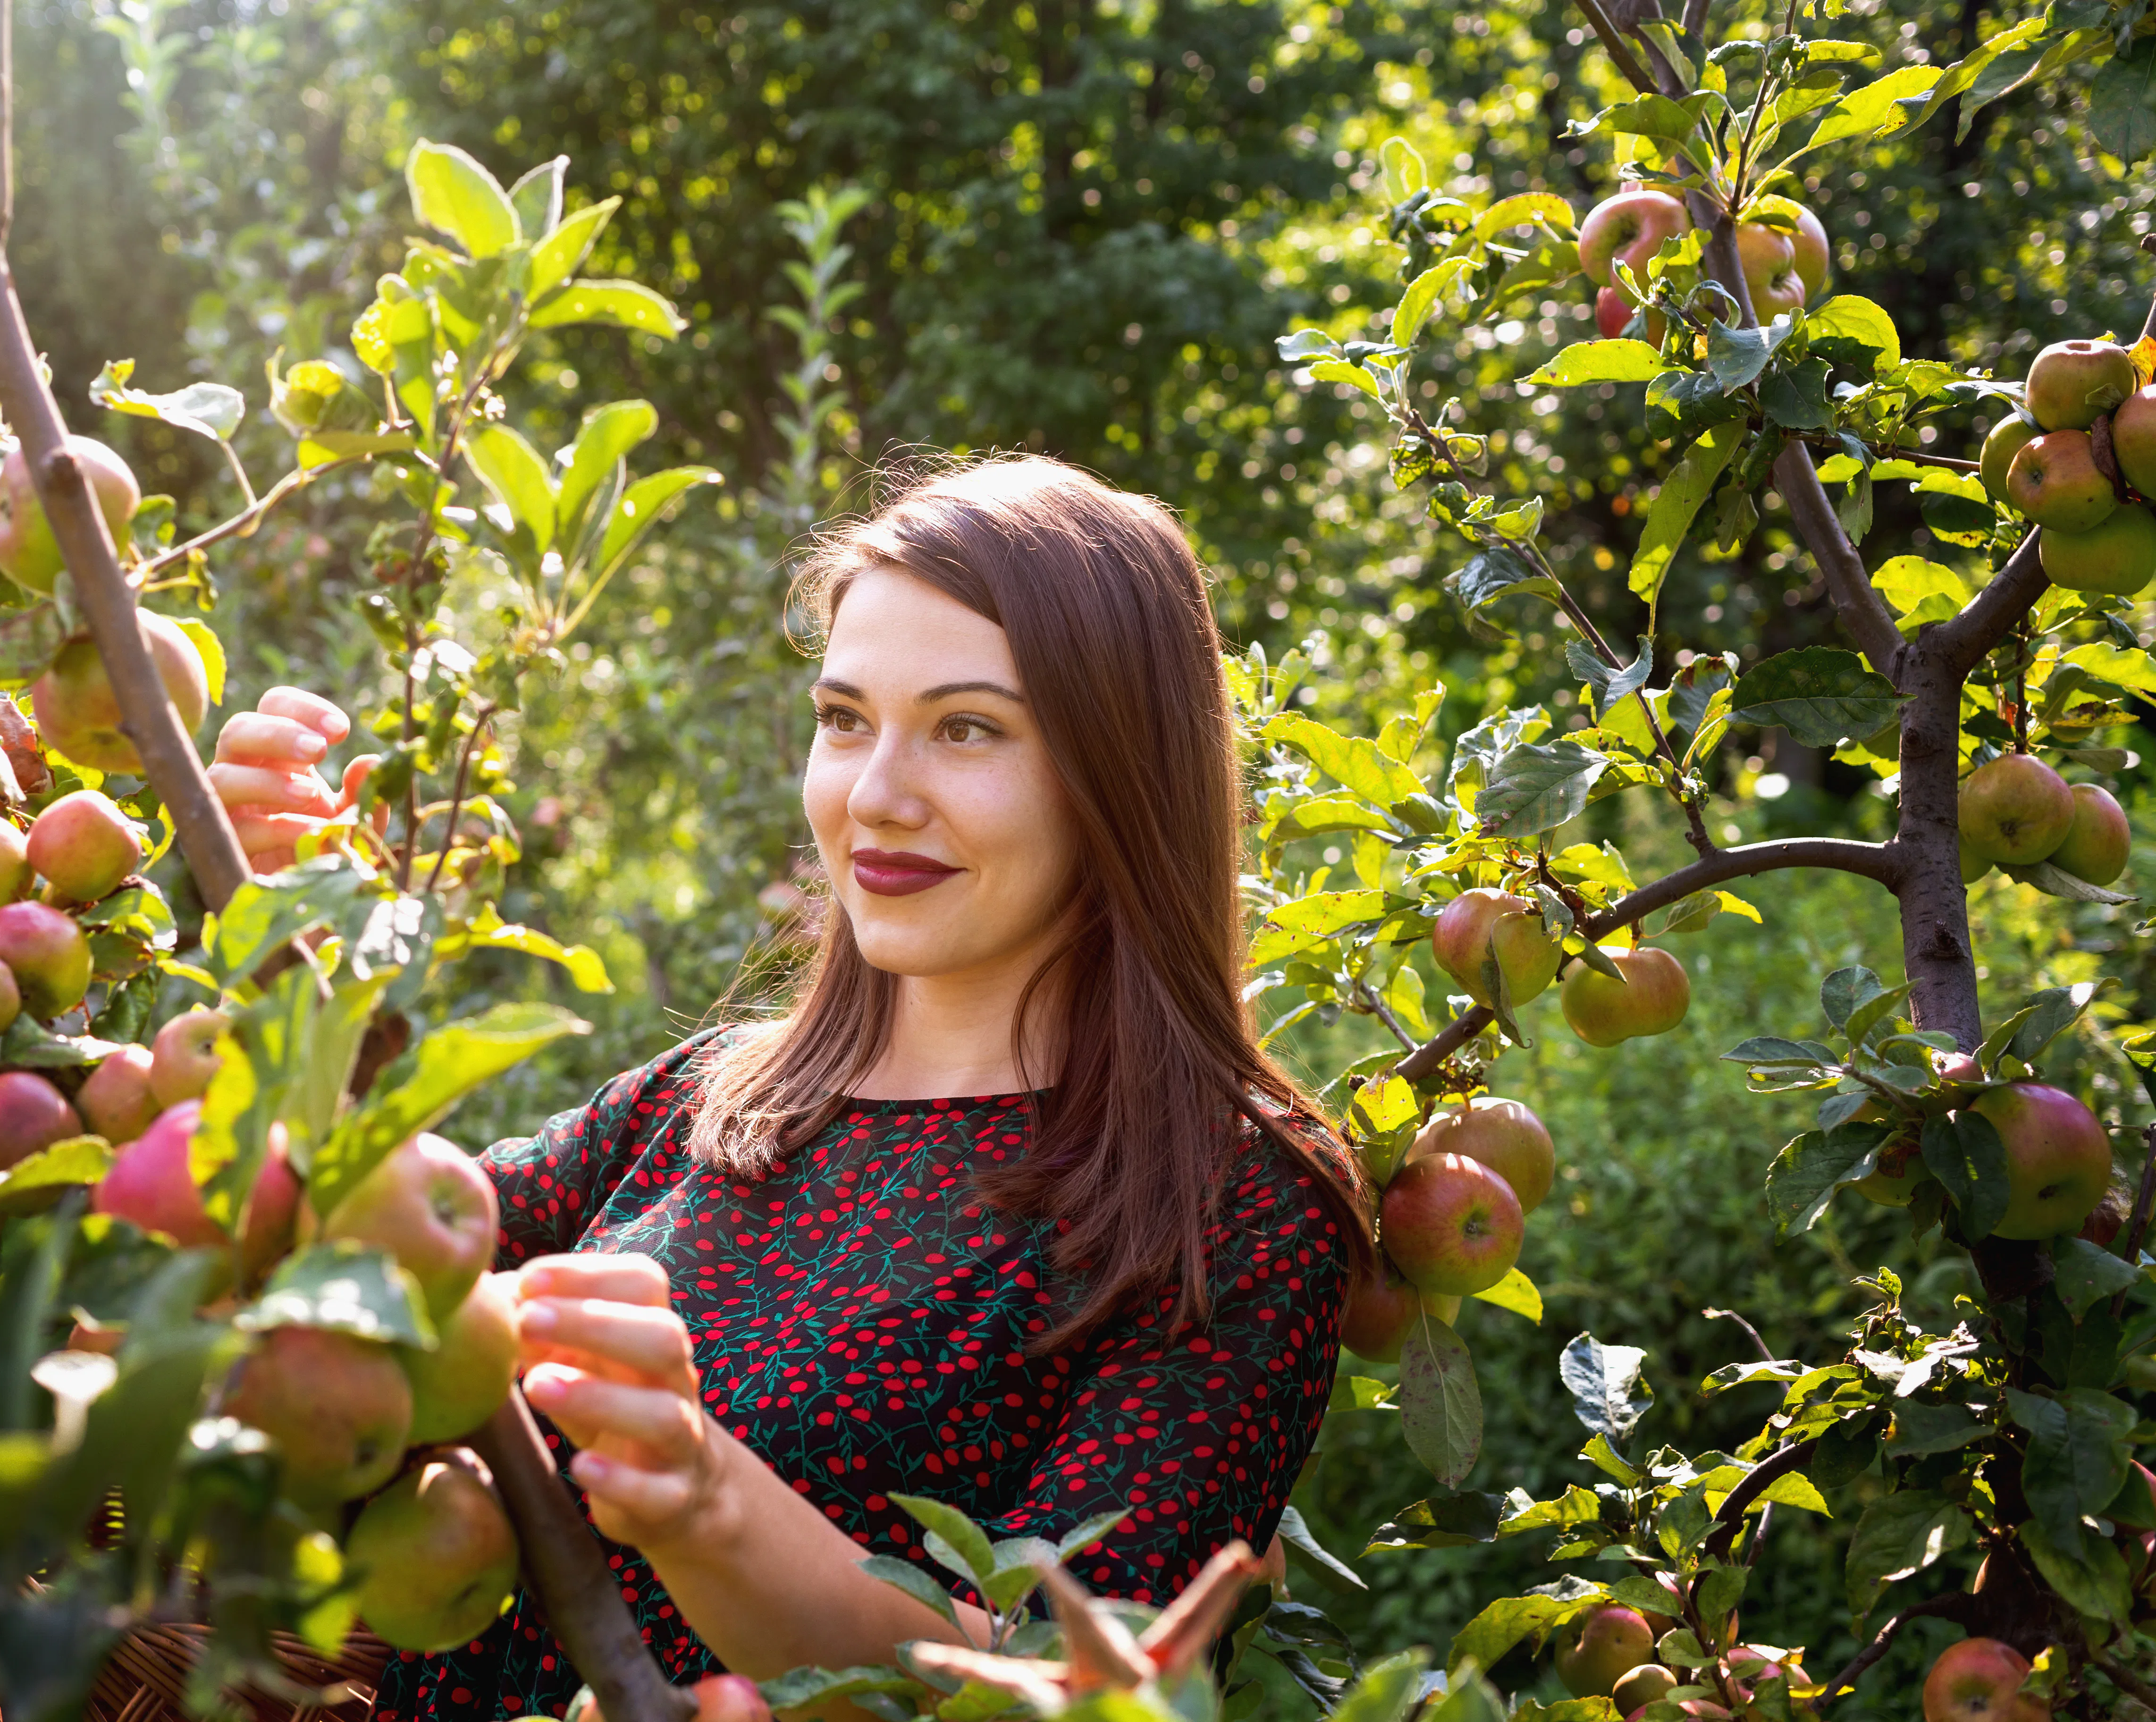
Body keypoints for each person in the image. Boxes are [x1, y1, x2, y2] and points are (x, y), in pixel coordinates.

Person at [208, 455, 1365, 1722]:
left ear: (1119, 773)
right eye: (844, 718)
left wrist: (706, 1498)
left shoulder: (1232, 1202)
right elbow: (311, 1269)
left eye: (967, 727)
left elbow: (1060, 1686)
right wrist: (282, 965)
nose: (875, 797)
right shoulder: (709, 1099)